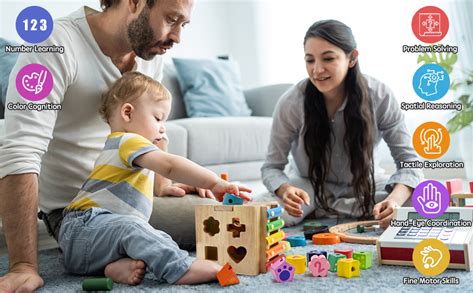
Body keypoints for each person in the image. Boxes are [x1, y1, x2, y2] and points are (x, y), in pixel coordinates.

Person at [0, 0, 216, 291]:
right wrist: (23, 266)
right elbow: (19, 151)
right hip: (76, 214)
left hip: (127, 202)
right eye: (171, 19)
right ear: (135, 3)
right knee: (208, 224)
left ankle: (110, 261)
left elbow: (151, 133)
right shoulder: (51, 45)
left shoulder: (150, 52)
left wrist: (162, 186)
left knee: (220, 214)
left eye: (183, 24)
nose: (177, 36)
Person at [59, 72, 251, 285]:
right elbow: (169, 165)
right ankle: (180, 268)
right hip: (84, 227)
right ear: (128, 113)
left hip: (90, 244)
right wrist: (214, 182)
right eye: (158, 118)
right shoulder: (128, 141)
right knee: (135, 229)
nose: (163, 127)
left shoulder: (120, 147)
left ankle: (111, 268)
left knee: (151, 237)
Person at [260, 20, 423, 228]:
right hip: (308, 188)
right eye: (310, 60)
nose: (317, 70)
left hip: (365, 186)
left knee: (421, 203)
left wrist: (395, 201)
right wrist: (284, 190)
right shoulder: (292, 102)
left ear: (352, 58)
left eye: (328, 58)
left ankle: (330, 209)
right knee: (261, 215)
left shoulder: (380, 95)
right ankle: (336, 208)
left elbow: (410, 162)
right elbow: (271, 167)